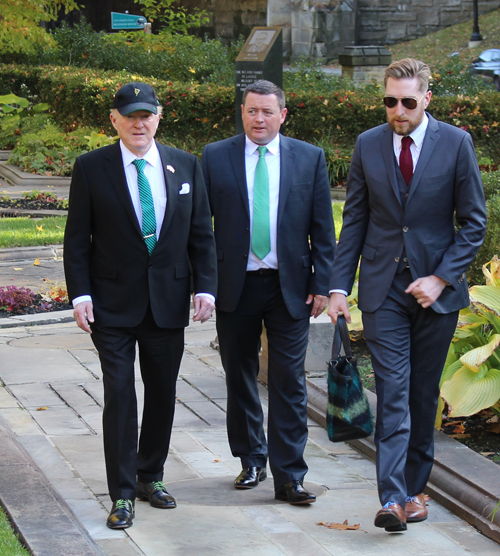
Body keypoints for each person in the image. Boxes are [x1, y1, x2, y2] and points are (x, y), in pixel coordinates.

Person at [328, 58, 487, 532]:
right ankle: (393, 498)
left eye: (408, 102)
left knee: (421, 395)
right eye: (390, 101)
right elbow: (354, 219)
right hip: (382, 290)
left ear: (427, 99)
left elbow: (473, 223)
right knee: (393, 391)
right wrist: (339, 286)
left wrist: (441, 277)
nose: (397, 110)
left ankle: (417, 489)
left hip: (435, 294)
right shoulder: (367, 144)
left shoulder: (456, 143)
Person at [63, 82, 217, 529]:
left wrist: (205, 287)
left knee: (163, 395)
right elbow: (77, 239)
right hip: (111, 304)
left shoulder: (186, 165)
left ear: (159, 116)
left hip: (167, 302)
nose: (139, 122)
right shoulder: (92, 168)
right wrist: (81, 294)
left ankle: (150, 475)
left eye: (146, 114)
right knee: (120, 395)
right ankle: (122, 493)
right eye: (129, 115)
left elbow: (201, 236)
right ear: (114, 119)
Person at [201, 80, 336, 505]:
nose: (259, 119)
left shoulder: (309, 158)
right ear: (242, 112)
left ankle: (289, 475)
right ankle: (251, 460)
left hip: (289, 287)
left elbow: (323, 229)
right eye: (251, 111)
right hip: (234, 286)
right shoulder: (215, 156)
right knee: (238, 376)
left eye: (267, 112)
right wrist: (201, 284)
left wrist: (323, 284)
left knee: (288, 381)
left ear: (283, 114)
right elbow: (199, 230)